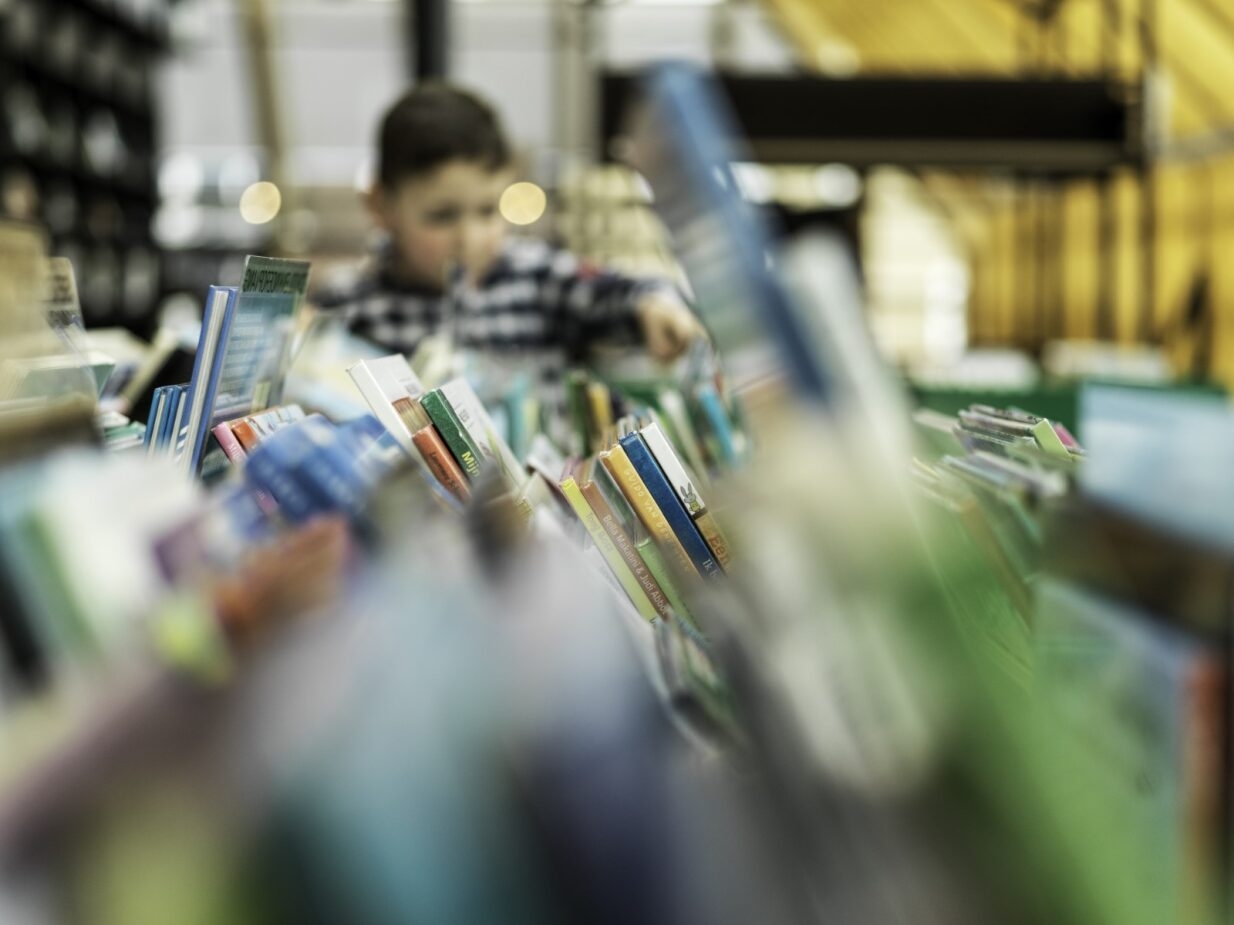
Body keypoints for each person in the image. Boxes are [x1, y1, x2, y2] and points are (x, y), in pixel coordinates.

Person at [314, 82, 705, 379]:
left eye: (487, 211)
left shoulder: (536, 276)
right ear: (381, 206)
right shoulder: (348, 304)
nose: (469, 239)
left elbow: (618, 291)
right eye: (442, 216)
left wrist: (655, 306)